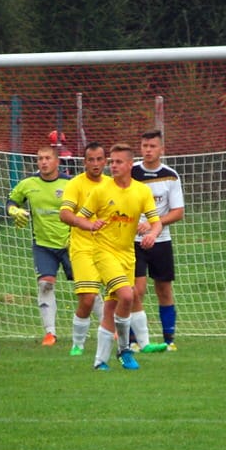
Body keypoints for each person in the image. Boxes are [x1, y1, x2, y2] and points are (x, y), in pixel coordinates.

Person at [66, 143, 162, 371]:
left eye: (118, 162)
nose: (113, 166)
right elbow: (75, 217)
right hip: (103, 252)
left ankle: (100, 361)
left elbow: (155, 222)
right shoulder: (101, 191)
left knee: (111, 306)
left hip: (127, 254)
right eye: (112, 162)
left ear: (130, 164)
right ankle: (125, 349)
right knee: (127, 296)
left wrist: (152, 233)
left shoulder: (141, 191)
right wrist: (89, 224)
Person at [6, 146, 72, 346]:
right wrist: (14, 211)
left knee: (87, 287)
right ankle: (50, 333)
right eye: (40, 159)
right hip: (43, 245)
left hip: (71, 244)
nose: (43, 162)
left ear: (57, 161)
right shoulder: (28, 184)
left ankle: (108, 327)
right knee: (45, 284)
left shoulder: (70, 183)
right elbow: (11, 201)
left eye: (47, 158)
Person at [130, 129, 184, 352]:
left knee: (164, 289)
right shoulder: (130, 173)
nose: (148, 150)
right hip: (133, 240)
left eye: (152, 146)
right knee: (135, 291)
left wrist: (155, 225)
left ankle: (169, 340)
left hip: (161, 241)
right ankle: (133, 340)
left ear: (162, 149)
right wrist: (134, 224)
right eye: (144, 146)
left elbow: (178, 211)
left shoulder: (170, 176)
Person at [58, 142, 110, 355]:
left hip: (110, 248)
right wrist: (87, 224)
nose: (95, 164)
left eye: (99, 159)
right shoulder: (75, 185)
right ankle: (78, 344)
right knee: (88, 298)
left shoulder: (112, 184)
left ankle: (127, 342)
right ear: (84, 162)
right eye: (91, 160)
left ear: (105, 162)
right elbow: (65, 214)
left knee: (122, 296)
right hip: (83, 248)